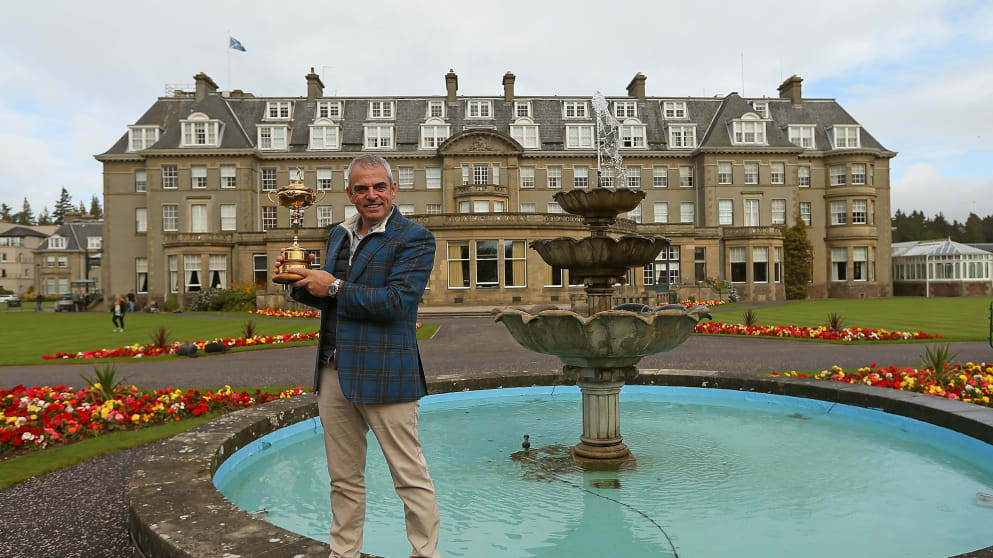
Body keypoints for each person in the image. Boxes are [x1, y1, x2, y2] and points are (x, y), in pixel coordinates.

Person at [277, 154, 440, 558]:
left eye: (379, 186)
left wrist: (331, 286)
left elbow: (397, 303)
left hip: (386, 373)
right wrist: (299, 282)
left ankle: (425, 553)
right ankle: (343, 552)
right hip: (334, 372)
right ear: (350, 194)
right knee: (343, 478)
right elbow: (331, 301)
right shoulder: (339, 235)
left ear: (393, 189)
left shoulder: (414, 237)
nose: (372, 195)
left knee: (409, 476)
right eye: (362, 188)